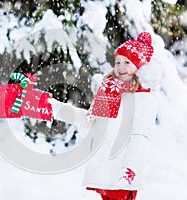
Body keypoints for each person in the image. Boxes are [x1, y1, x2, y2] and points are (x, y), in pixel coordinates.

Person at [48, 32, 157, 200]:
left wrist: (131, 168)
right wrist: (54, 108)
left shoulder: (143, 99)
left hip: (122, 174)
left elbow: (140, 137)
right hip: (104, 172)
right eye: (118, 62)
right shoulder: (108, 92)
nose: (121, 66)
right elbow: (90, 122)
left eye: (127, 62)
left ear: (140, 67)